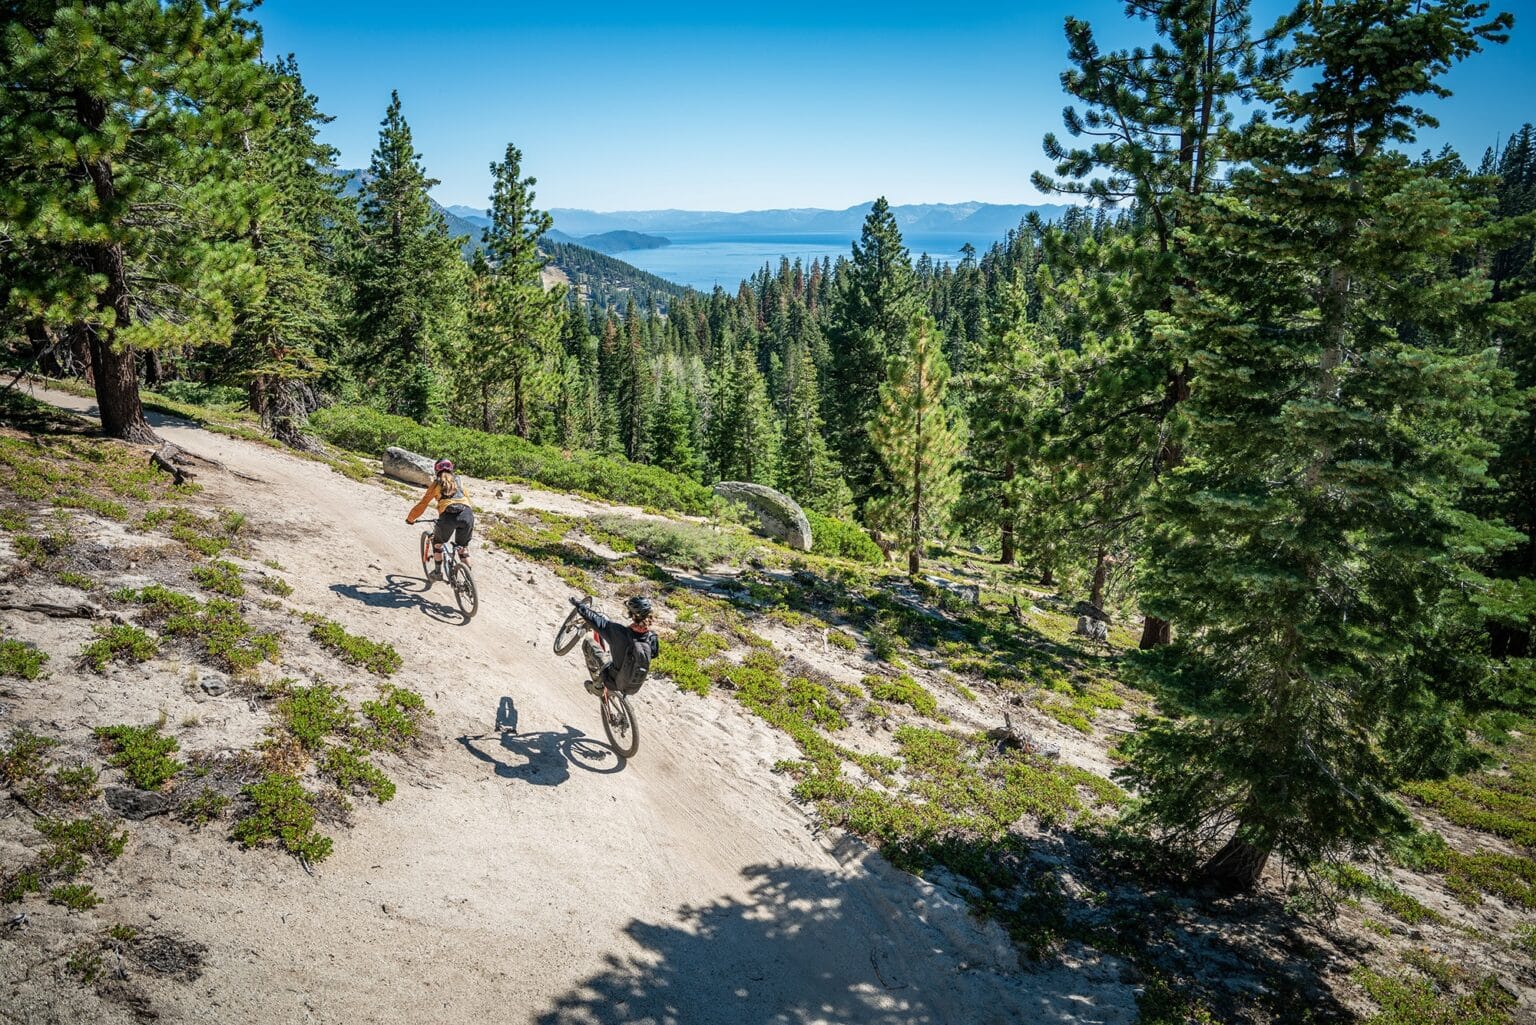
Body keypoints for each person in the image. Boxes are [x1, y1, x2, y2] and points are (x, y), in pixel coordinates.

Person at [569, 595, 659, 697]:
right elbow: (653, 654)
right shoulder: (652, 637)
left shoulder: (619, 632)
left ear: (633, 616)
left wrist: (579, 605)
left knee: (588, 643)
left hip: (612, 680)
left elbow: (596, 621)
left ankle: (597, 687)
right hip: (634, 685)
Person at [406, 459, 474, 579]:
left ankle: (437, 573)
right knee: (462, 548)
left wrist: (411, 518)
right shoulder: (459, 480)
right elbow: (467, 499)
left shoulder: (436, 484)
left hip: (448, 517)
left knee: (437, 544)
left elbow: (423, 503)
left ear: (436, 470)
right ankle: (469, 580)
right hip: (467, 514)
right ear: (451, 469)